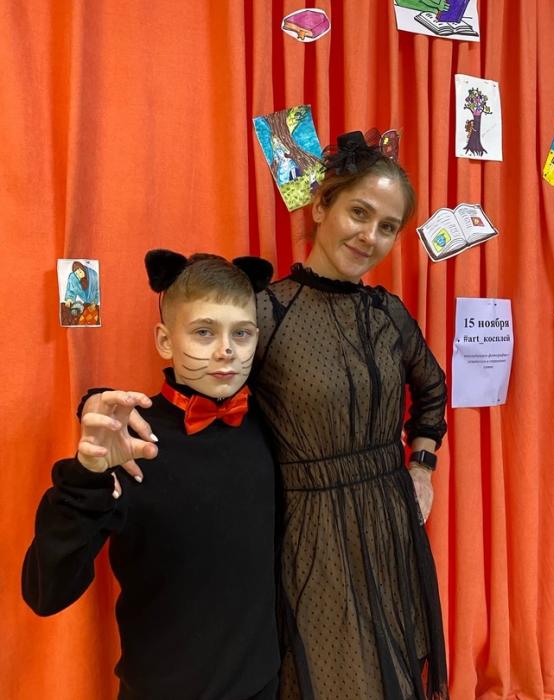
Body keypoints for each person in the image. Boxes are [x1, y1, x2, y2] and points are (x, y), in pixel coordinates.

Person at [82, 130, 450, 699]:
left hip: (388, 522)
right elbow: (195, 386)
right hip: (310, 533)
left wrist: (421, 467)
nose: (369, 236)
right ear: (321, 206)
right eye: (359, 212)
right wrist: (96, 404)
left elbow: (432, 390)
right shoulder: (266, 312)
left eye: (387, 226)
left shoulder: (388, 314)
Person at [23, 252, 280, 700]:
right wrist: (87, 476)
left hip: (262, 686)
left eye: (241, 333)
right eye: (204, 332)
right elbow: (46, 592)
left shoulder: (271, 423)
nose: (226, 350)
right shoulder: (130, 438)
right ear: (164, 340)